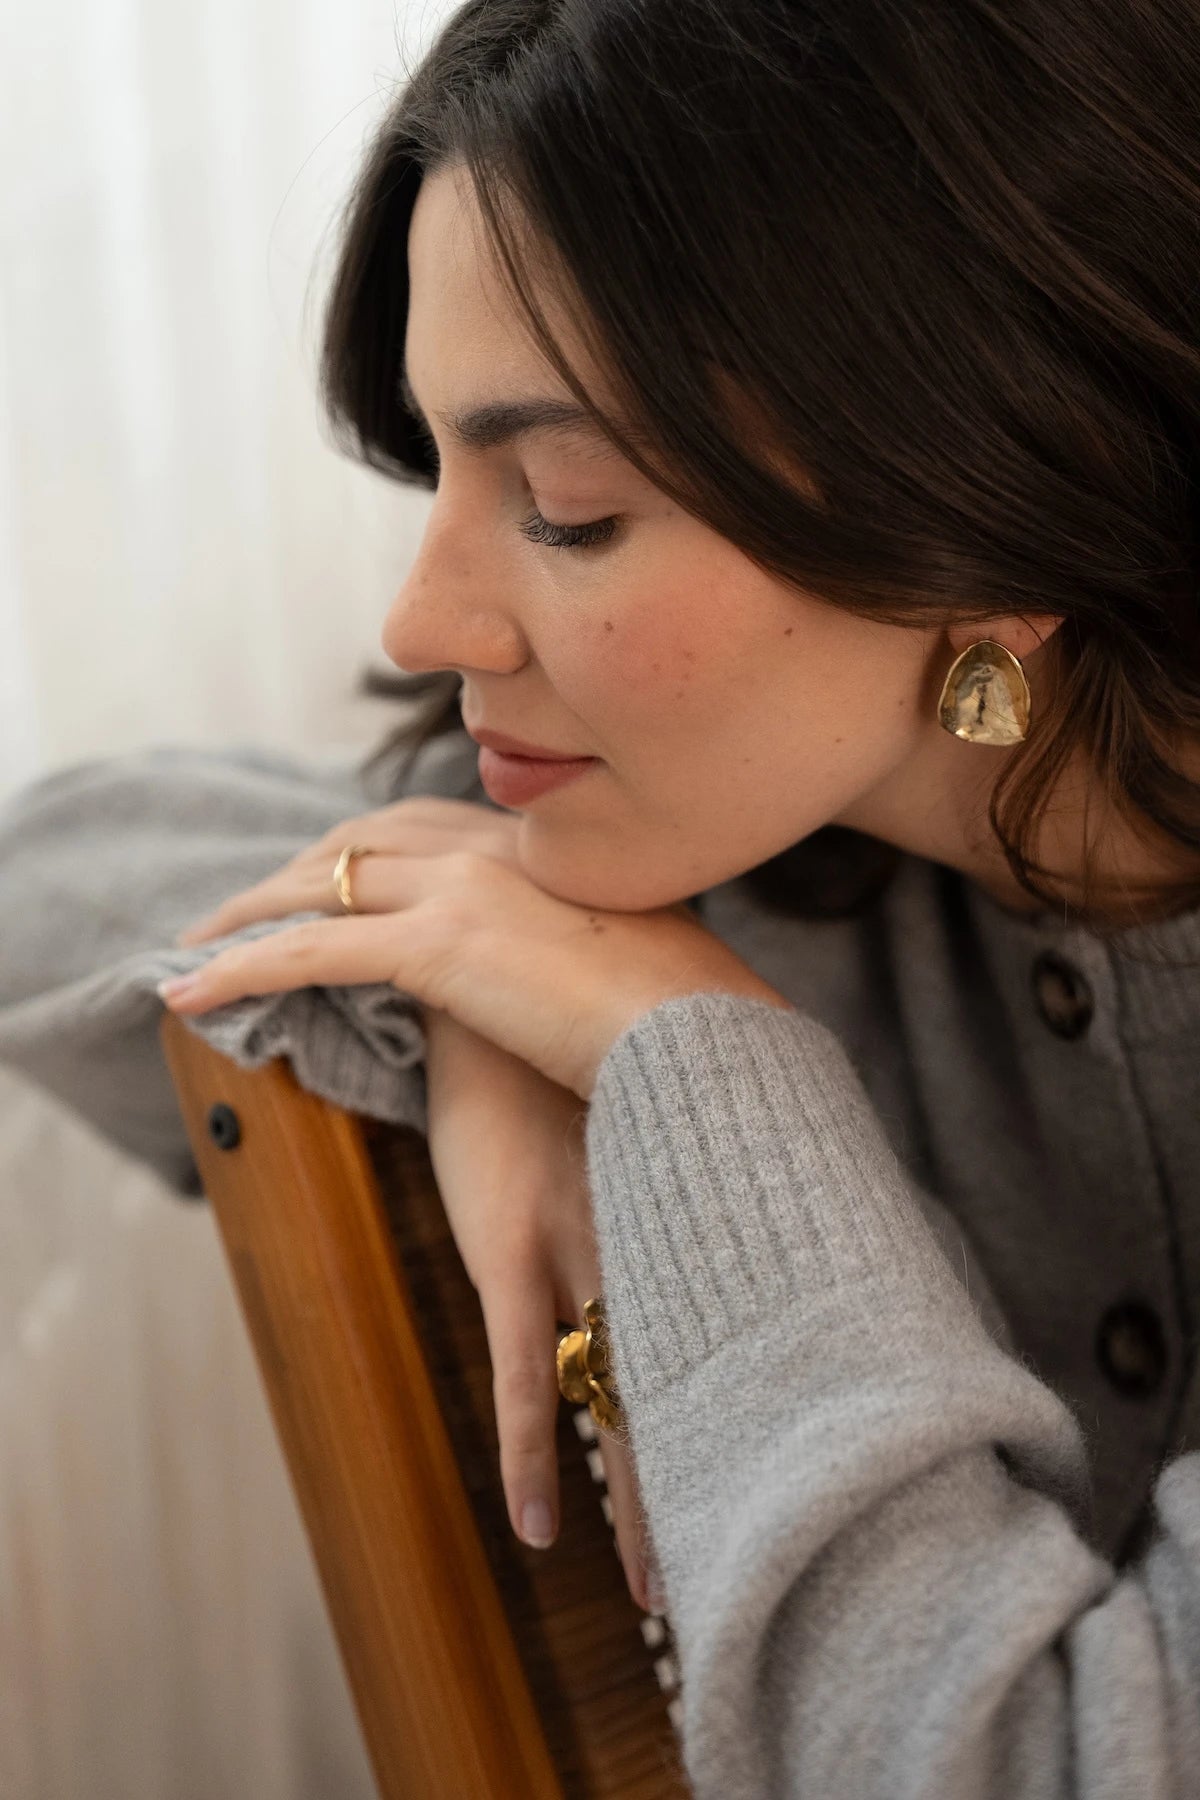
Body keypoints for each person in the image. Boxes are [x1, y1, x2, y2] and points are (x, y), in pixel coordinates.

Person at [6, 0, 1200, 1792]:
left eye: (564, 507)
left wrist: (689, 1065)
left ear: (1009, 486)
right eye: (440, 470)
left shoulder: (705, 881)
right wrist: (476, 1011)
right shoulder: (722, 834)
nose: (422, 619)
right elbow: (52, 876)